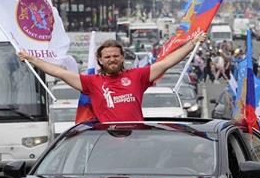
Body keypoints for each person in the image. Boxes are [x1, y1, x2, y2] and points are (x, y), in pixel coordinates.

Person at [19, 32, 206, 122]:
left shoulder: (137, 76)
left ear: (122, 57)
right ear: (100, 60)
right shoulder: (91, 82)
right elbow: (59, 72)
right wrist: (31, 58)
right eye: (107, 57)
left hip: (136, 137)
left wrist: (192, 43)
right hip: (106, 139)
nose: (112, 60)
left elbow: (166, 63)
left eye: (116, 56)